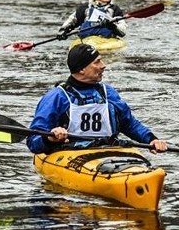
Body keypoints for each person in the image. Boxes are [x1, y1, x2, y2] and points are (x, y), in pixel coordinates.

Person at [27, 43, 168, 154]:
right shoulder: (56, 97)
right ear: (82, 69)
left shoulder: (108, 93)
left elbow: (129, 124)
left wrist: (152, 139)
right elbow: (33, 141)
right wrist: (49, 138)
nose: (103, 65)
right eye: (97, 62)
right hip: (70, 152)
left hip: (109, 150)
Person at [57, 0, 127, 40]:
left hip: (107, 41)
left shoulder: (115, 9)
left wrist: (112, 26)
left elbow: (123, 31)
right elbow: (72, 20)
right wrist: (63, 31)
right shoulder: (85, 8)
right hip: (87, 40)